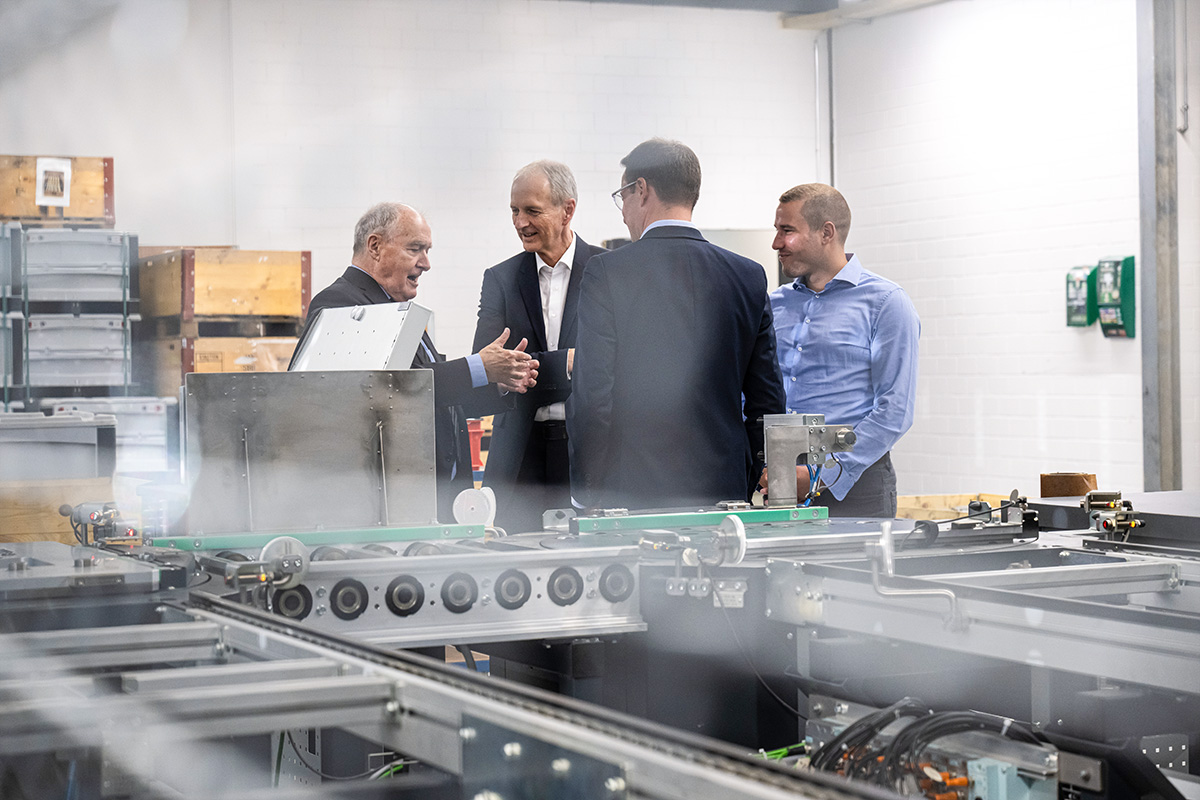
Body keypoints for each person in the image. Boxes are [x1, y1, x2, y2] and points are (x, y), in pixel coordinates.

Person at [567, 139, 785, 512]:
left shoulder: (608, 273)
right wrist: (748, 474)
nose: (623, 214)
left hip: (632, 492)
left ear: (641, 190)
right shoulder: (747, 275)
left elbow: (593, 396)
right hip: (724, 490)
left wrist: (589, 488)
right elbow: (767, 400)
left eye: (623, 197)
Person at [292, 202, 537, 522]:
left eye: (427, 250)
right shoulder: (342, 303)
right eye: (415, 249)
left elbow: (433, 395)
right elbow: (390, 390)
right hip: (391, 505)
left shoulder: (392, 307)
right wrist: (478, 367)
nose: (426, 263)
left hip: (432, 498)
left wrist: (495, 381)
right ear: (375, 246)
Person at [769, 183, 919, 518]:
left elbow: (895, 410)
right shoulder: (773, 304)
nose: (777, 243)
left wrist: (824, 474)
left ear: (826, 233)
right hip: (781, 480)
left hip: (856, 485)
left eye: (787, 231)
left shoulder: (885, 303)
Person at [472, 161, 606, 533]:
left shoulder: (608, 271)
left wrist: (527, 370)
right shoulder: (500, 279)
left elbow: (617, 368)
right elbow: (485, 372)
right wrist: (565, 365)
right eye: (514, 211)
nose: (520, 222)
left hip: (590, 453)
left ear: (568, 210)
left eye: (532, 210)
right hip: (518, 459)